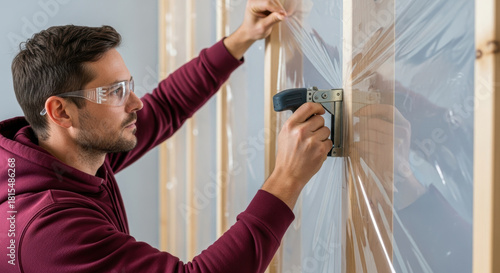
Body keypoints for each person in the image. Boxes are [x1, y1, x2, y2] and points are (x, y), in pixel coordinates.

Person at [0, 1, 332, 272]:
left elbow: (165, 106)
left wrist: (242, 37)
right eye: (116, 92)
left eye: (128, 85)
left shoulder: (69, 153)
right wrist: (287, 179)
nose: (136, 102)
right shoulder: (48, 233)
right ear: (61, 112)